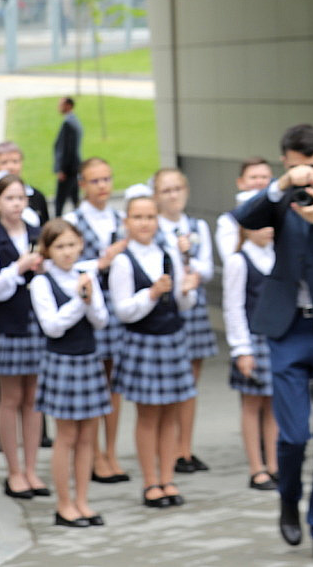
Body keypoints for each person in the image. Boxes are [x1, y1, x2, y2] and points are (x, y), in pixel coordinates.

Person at [234, 124, 313, 563]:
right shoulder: (280, 194)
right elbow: (244, 218)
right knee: (291, 437)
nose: (305, 173)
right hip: (288, 331)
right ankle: (288, 499)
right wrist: (280, 185)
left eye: (310, 165)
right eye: (294, 166)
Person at [109, 191, 199, 509]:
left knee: (171, 413)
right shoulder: (123, 261)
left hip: (172, 339)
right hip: (143, 341)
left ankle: (168, 478)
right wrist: (151, 294)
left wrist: (187, 289)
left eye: (150, 217)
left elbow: (182, 303)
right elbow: (123, 311)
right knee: (148, 415)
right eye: (138, 217)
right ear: (127, 221)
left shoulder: (168, 254)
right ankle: (150, 481)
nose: (144, 223)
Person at [0, 174, 47, 499]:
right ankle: (13, 471)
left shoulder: (36, 233)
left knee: (33, 398)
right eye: (10, 198)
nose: (17, 204)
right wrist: (18, 268)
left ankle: (32, 470)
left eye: (21, 198)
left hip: (34, 321)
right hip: (5, 324)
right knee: (11, 397)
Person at [30, 219, 111, 527]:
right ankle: (64, 504)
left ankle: (82, 501)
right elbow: (52, 326)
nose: (67, 252)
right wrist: (80, 300)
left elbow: (101, 320)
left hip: (88, 358)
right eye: (59, 246)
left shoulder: (85, 276)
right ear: (48, 250)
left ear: (81, 245)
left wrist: (88, 297)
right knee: (66, 435)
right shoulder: (42, 282)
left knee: (88, 435)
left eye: (71, 245)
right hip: (62, 362)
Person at [64, 157, 129, 484]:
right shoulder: (73, 220)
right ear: (82, 184)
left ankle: (111, 450)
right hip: (88, 306)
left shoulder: (119, 218)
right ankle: (92, 454)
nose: (103, 186)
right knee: (94, 380)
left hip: (115, 304)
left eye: (107, 179)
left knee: (114, 381)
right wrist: (101, 263)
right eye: (95, 180)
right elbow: (66, 264)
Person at [152, 169, 217, 475]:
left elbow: (208, 267)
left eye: (177, 188)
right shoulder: (153, 228)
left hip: (194, 306)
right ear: (156, 196)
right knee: (167, 382)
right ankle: (162, 446)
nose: (173, 195)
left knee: (191, 381)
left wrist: (193, 269)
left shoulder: (196, 226)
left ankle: (184, 449)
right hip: (166, 309)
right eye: (166, 190)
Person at [221, 212, 279, 490]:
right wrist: (241, 349)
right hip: (252, 340)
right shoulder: (239, 260)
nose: (268, 229)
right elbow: (233, 307)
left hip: (276, 338)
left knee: (274, 404)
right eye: (261, 225)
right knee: (252, 404)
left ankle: (274, 464)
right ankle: (256, 467)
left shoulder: (276, 255)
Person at [215, 157, 275, 265]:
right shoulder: (229, 221)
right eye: (253, 177)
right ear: (240, 182)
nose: (259, 182)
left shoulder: (280, 214)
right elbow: (231, 260)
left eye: (264, 177)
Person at [52, 98, 83, 217]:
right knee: (74, 197)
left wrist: (61, 169)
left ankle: (57, 221)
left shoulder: (68, 124)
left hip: (68, 168)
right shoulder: (74, 121)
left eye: (61, 104)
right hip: (74, 166)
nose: (59, 107)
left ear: (68, 106)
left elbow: (66, 149)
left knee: (60, 199)